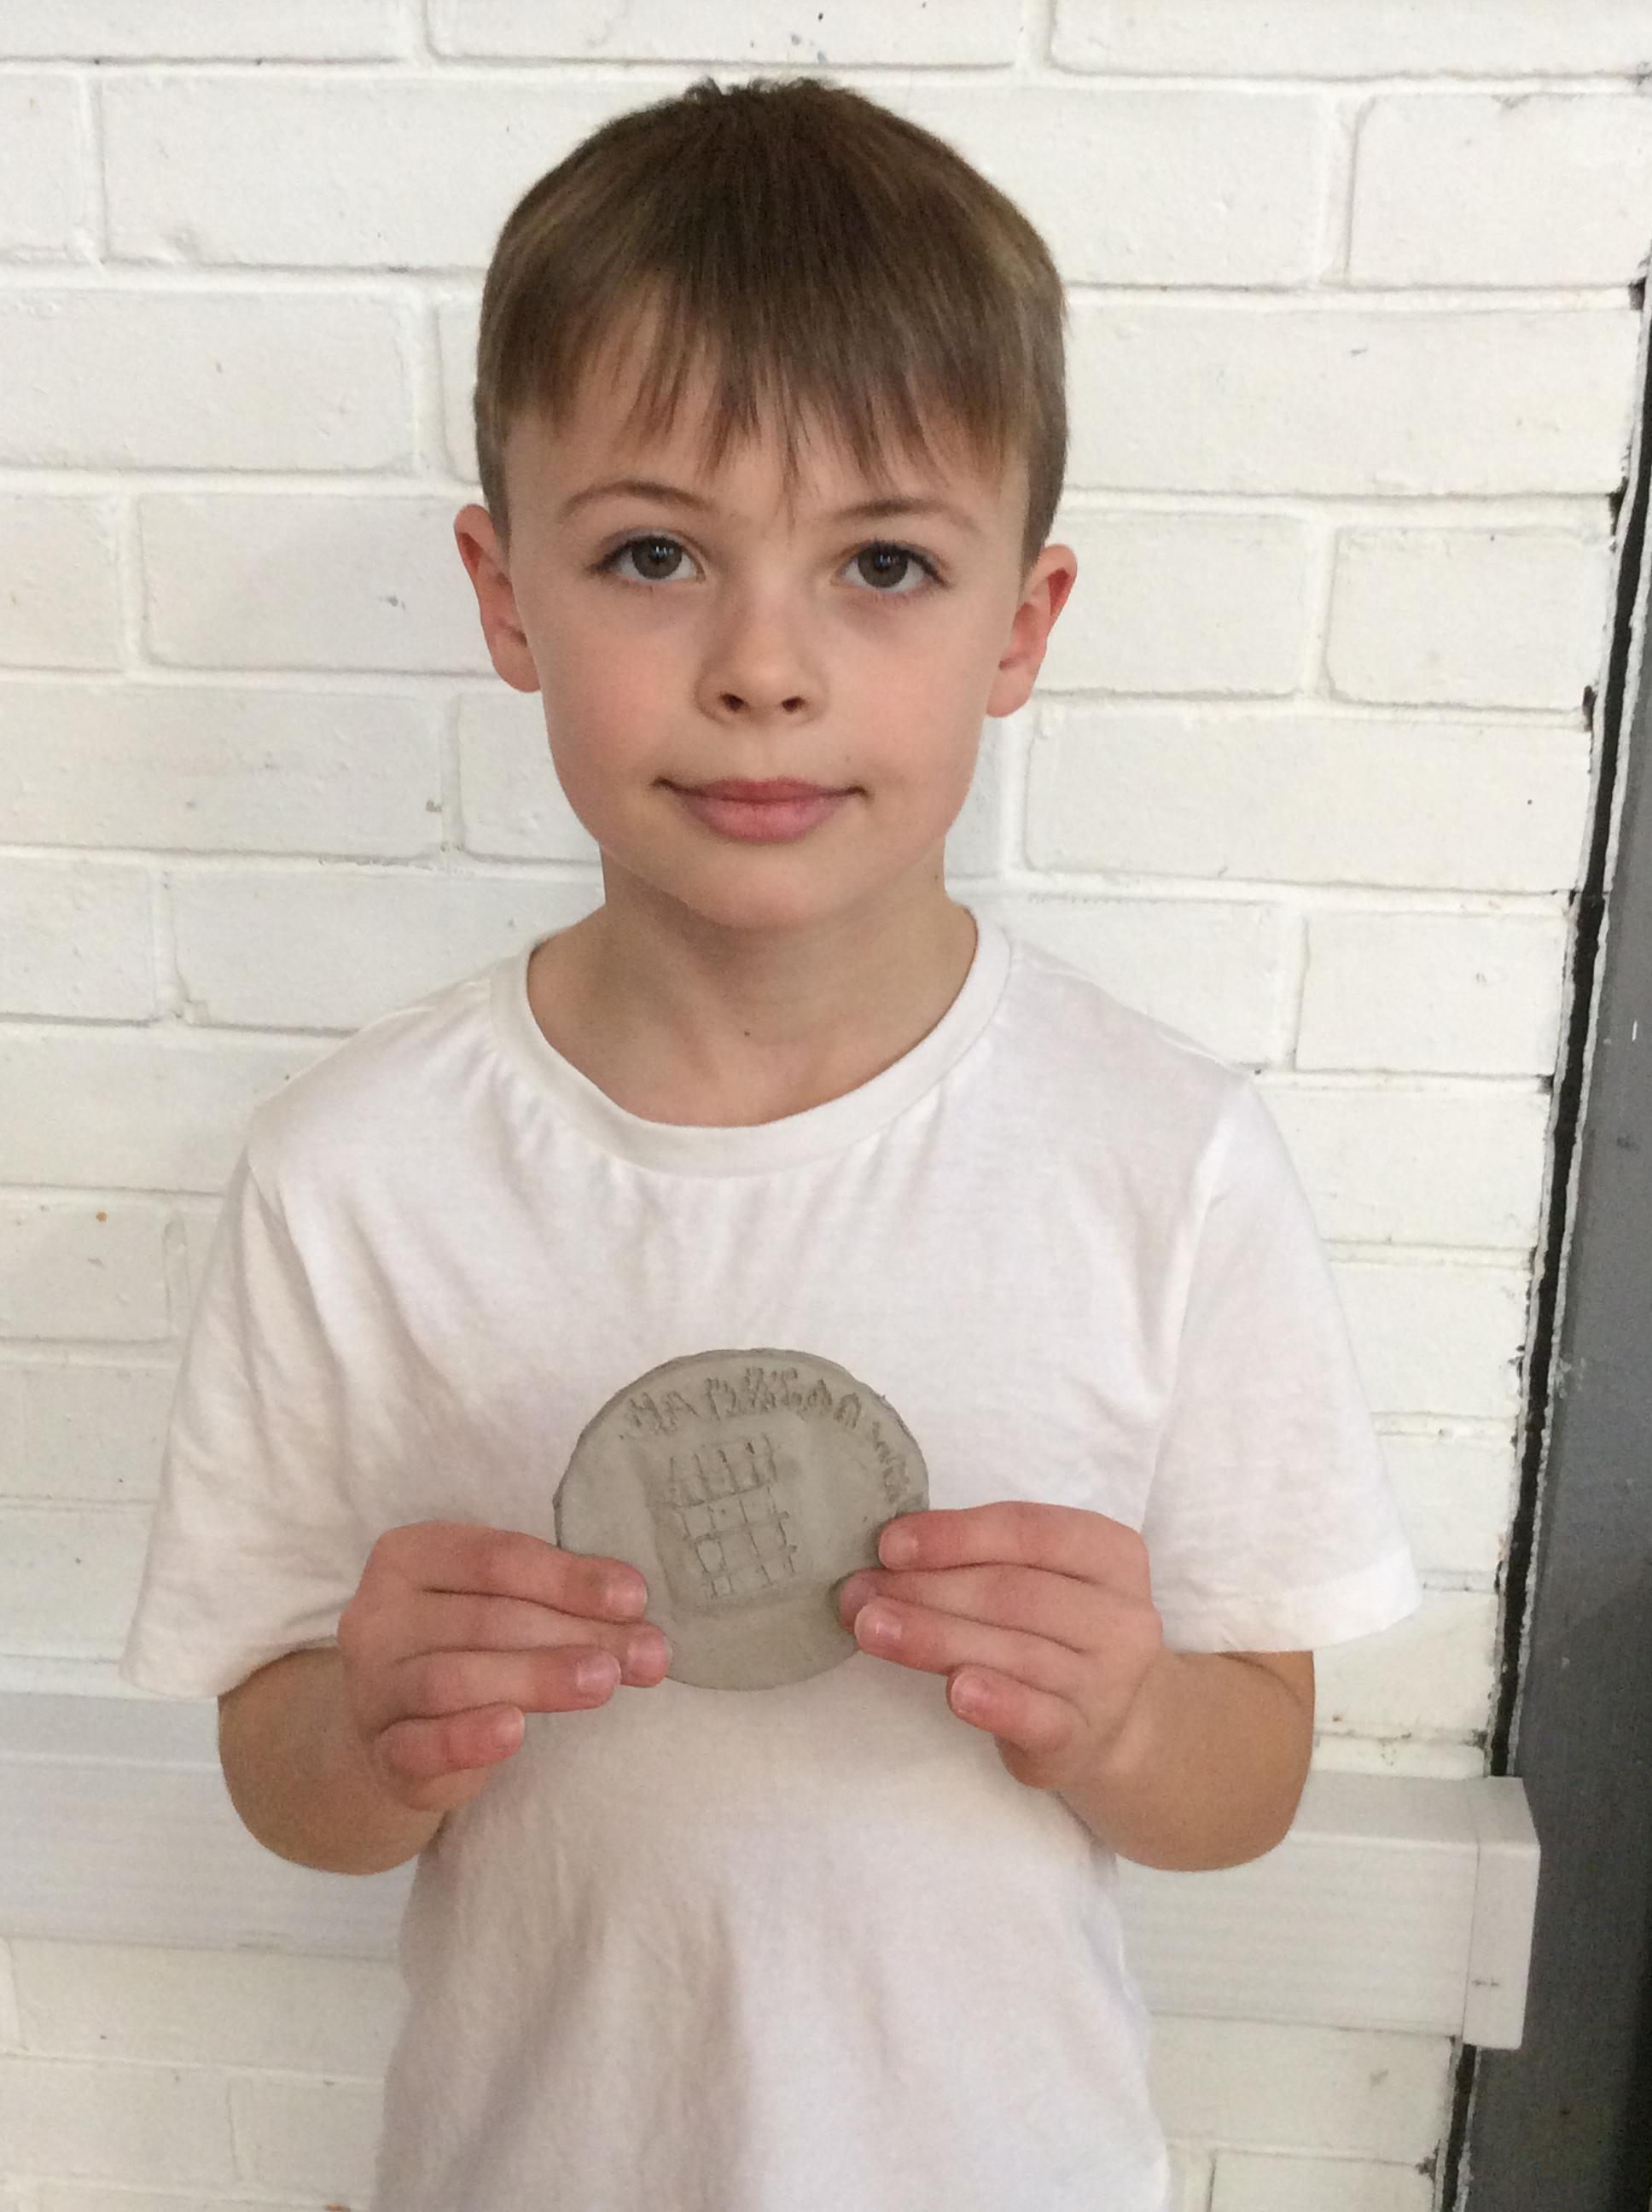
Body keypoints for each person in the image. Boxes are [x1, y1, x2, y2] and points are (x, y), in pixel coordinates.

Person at [120, 73, 1422, 2212]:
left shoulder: (1160, 1157)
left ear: (1018, 627)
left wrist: (1119, 1719)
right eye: (652, 554)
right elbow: (283, 1773)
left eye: (882, 564)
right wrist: (367, 1727)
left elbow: (1247, 1776)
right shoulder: (353, 1176)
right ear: (504, 592)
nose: (760, 669)